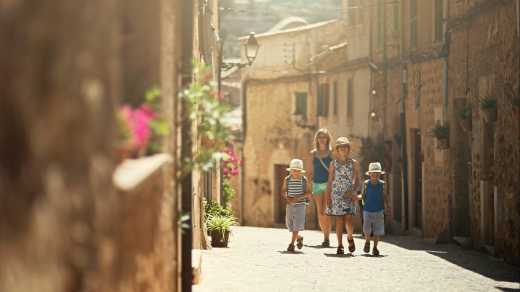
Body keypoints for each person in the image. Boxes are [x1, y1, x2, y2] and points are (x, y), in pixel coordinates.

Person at [325, 137, 361, 255]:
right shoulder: (333, 164)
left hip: (349, 194)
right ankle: (340, 245)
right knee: (339, 220)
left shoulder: (354, 163)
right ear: (337, 149)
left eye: (345, 146)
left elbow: (357, 180)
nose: (343, 149)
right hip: (336, 195)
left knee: (349, 220)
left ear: (348, 149)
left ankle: (350, 237)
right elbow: (330, 181)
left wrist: (353, 192)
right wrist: (328, 197)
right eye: (341, 147)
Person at [307, 128, 333, 247]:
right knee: (320, 211)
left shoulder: (332, 153)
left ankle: (327, 238)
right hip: (317, 184)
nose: (322, 139)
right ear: (316, 139)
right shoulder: (313, 154)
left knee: (327, 211)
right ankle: (325, 235)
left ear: (328, 139)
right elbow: (310, 172)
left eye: (324, 137)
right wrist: (308, 187)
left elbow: (336, 169)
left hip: (328, 184)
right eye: (320, 137)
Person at [282, 158, 312, 252]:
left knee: (297, 225)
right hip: (290, 205)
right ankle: (298, 237)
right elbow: (283, 191)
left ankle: (291, 244)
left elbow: (308, 193)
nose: (295, 172)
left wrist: (297, 198)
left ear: (301, 171)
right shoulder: (287, 179)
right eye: (293, 170)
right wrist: (288, 198)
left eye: (297, 171)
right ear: (290, 171)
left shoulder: (304, 180)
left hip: (300, 205)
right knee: (289, 224)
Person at [359, 162, 386, 256]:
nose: (375, 175)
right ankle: (367, 241)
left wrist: (387, 207)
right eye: (373, 173)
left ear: (380, 174)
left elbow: (385, 196)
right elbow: (362, 196)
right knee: (367, 229)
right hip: (367, 210)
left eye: (377, 173)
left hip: (379, 210)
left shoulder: (383, 184)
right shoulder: (366, 184)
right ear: (369, 174)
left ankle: (375, 247)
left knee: (377, 230)